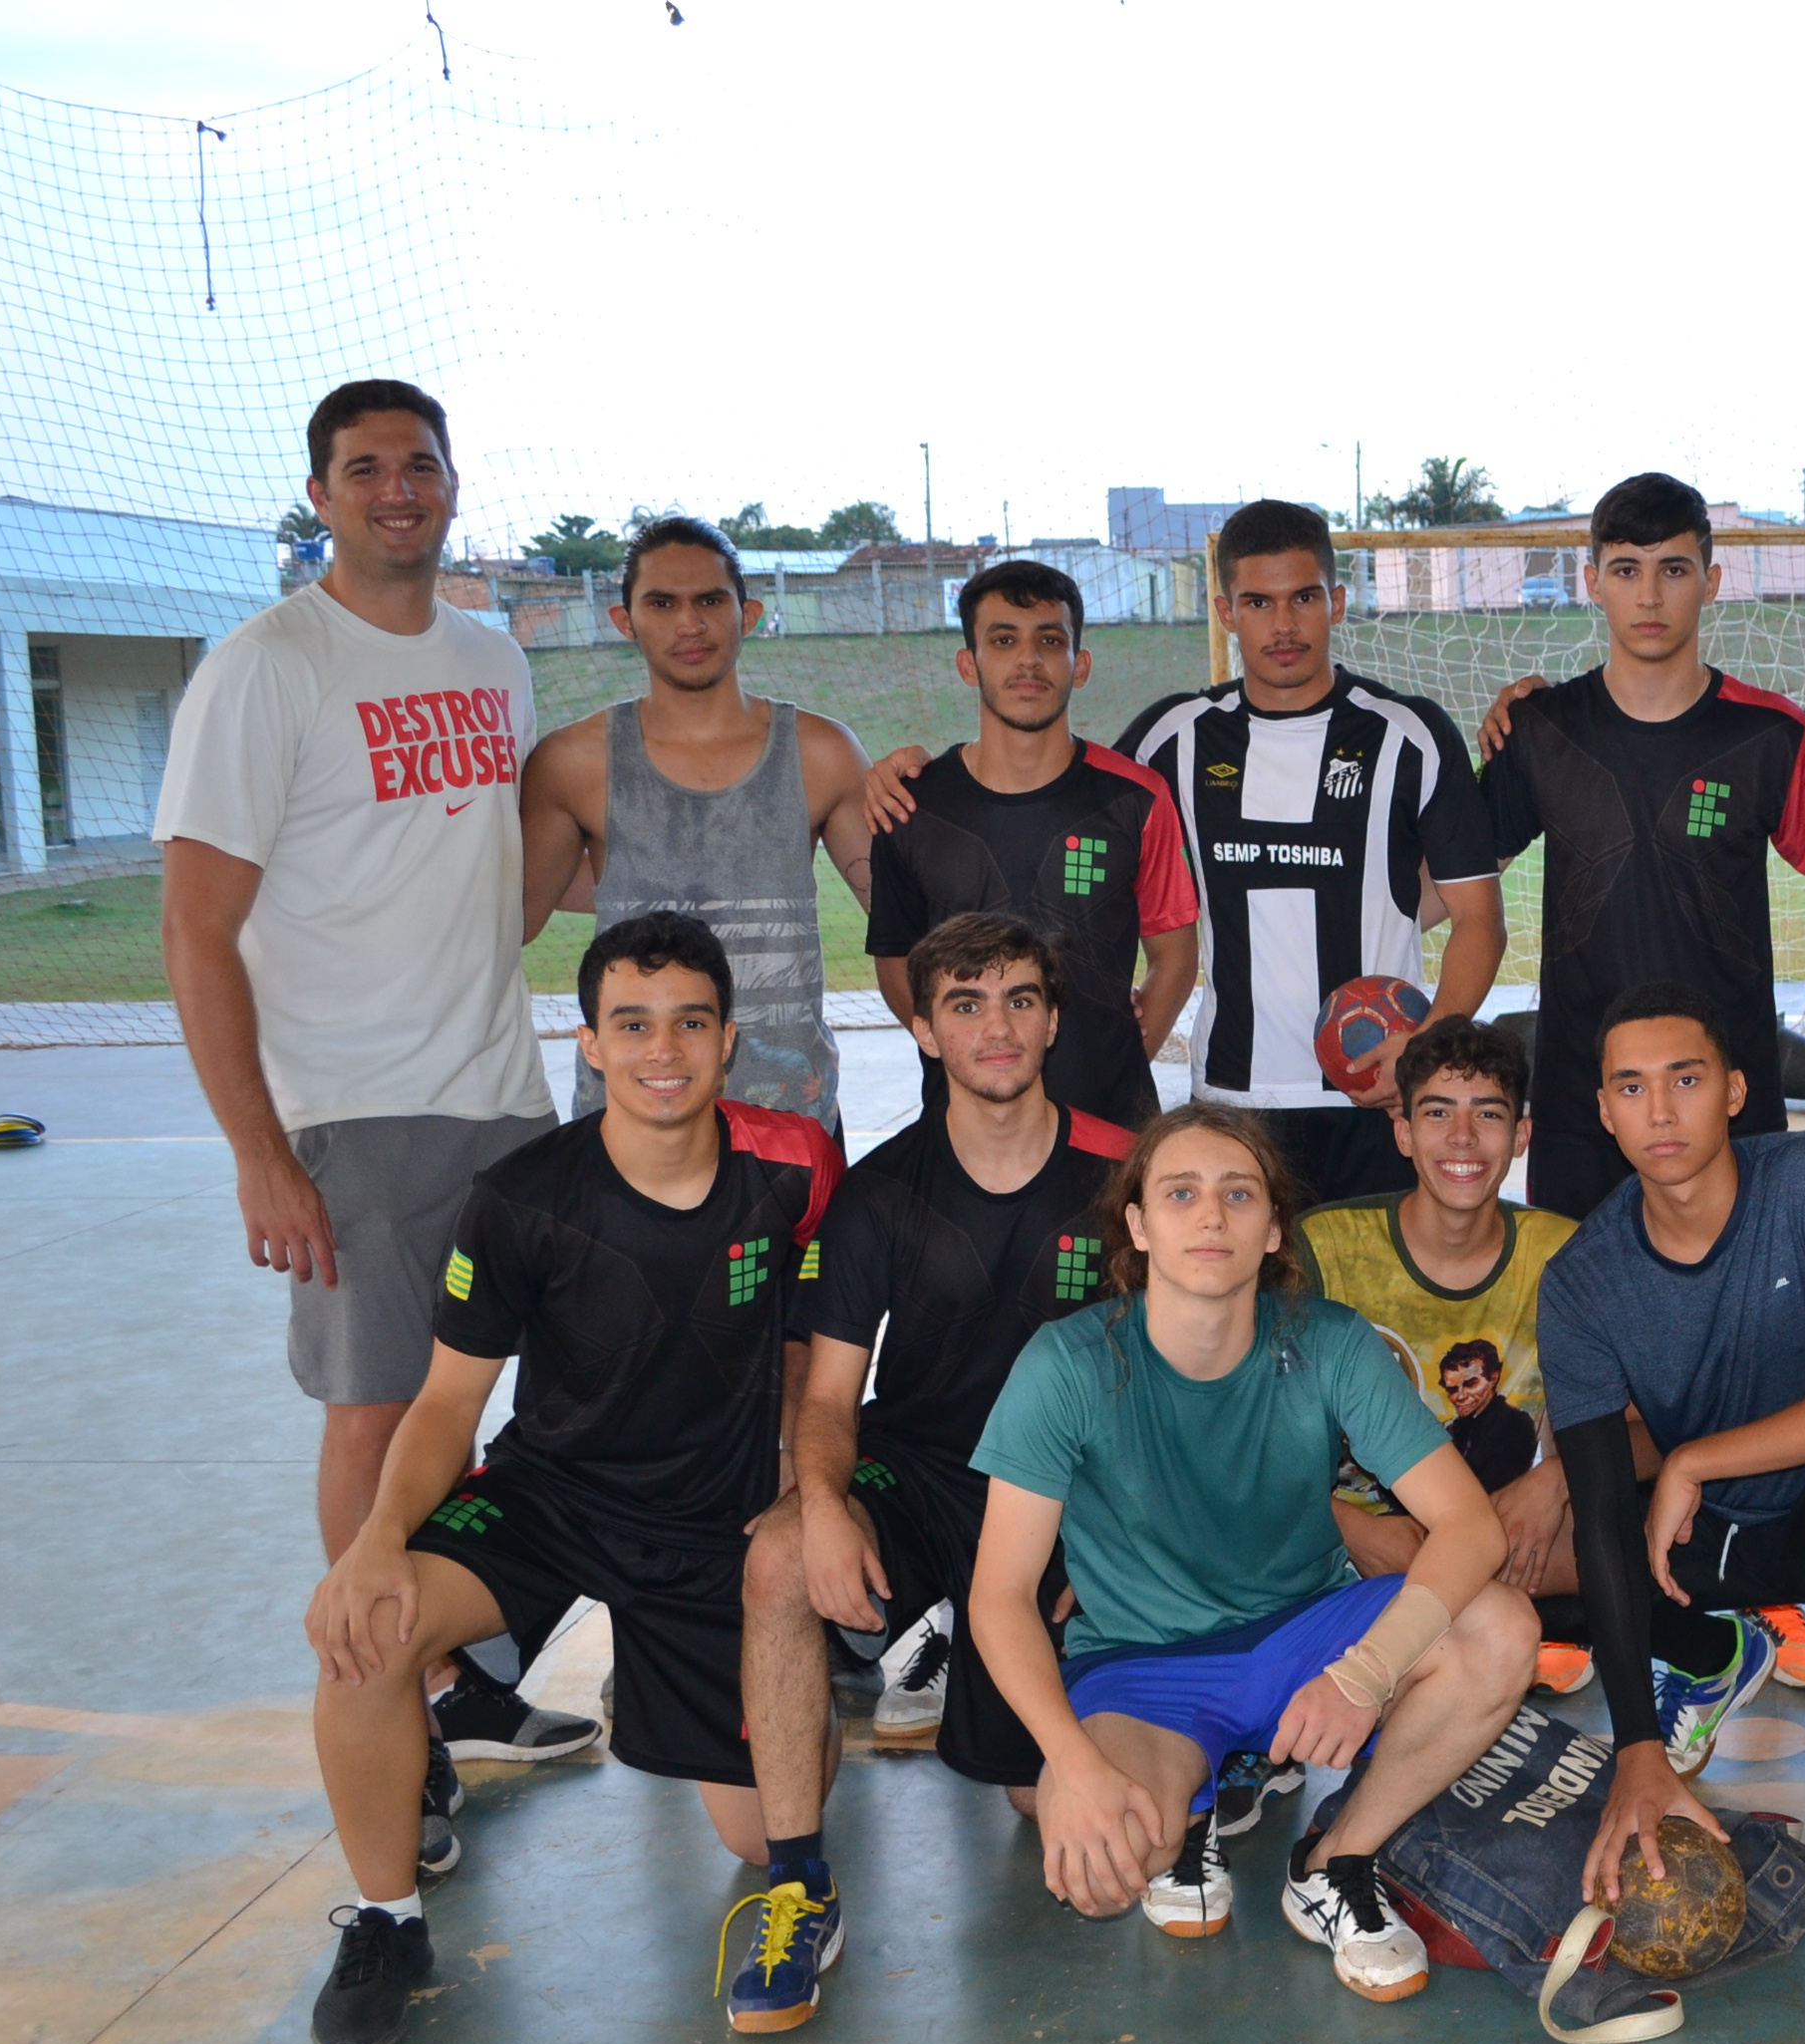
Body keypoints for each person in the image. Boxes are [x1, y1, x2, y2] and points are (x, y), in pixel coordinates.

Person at [155, 378, 594, 1830]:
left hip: (501, 1093)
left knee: (460, 1416)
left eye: (418, 464)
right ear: (322, 496)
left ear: (453, 481)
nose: (396, 489)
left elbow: (522, 858)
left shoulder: (493, 657)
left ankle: (452, 1674)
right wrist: (259, 1155)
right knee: (372, 1414)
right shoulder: (267, 667)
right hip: (351, 1109)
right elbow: (196, 929)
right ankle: (385, 1722)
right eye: (364, 470)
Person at [298, 913, 842, 2044]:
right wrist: (379, 1539)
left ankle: (684, 1691)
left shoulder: (793, 1164)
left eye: (690, 1023)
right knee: (370, 1631)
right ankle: (388, 1923)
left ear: (728, 1039)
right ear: (589, 1044)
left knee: (757, 1837)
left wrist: (801, 1473)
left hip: (712, 1521)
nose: (663, 1051)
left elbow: (810, 1338)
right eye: (631, 1025)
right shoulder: (521, 1197)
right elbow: (448, 1403)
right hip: (553, 1496)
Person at [965, 1105, 1541, 2003]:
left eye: (1239, 1194)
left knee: (1500, 1629)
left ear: (1274, 1228)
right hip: (1144, 1664)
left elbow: (1472, 1528)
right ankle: (1193, 1800)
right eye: (1181, 1193)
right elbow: (1000, 1593)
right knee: (1110, 1851)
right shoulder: (1067, 1365)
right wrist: (1071, 1767)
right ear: (1139, 1224)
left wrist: (1367, 1672)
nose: (1211, 1216)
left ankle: (1335, 1860)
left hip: (1305, 1631)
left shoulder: (1331, 1342)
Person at [726, 914, 1137, 2032]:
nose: (994, 1027)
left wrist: (1124, 1540)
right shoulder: (880, 1192)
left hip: (1064, 1498)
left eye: (1016, 999)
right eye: (964, 1003)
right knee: (771, 1561)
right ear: (921, 1028)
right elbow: (823, 1397)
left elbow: (1179, 1385)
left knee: (1034, 1795)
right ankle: (797, 1880)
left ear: (1053, 1020)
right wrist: (818, 1507)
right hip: (921, 1472)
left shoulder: (1126, 1175)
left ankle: (976, 1643)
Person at [1538, 984, 1805, 1948]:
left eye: (1685, 1081)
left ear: (1733, 1091)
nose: (1661, 1111)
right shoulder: (1582, 1279)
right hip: (1694, 1547)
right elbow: (1607, 1508)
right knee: (1517, 1565)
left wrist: (1697, 1457)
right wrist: (1637, 1752)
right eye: (1632, 1088)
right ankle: (1711, 1661)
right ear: (1602, 1111)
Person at [1477, 473, 1805, 1218]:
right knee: (1588, 1328)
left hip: (1729, 1106)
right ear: (1592, 583)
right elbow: (1441, 893)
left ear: (1710, 583)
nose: (1649, 597)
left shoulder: (1770, 734)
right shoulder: (1539, 730)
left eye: (1672, 570)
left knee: (1737, 1328)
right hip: (1585, 1107)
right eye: (1625, 570)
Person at [1125, 499, 1505, 1207]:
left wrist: (1426, 1047)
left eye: (1303, 598)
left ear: (1335, 600)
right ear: (1225, 611)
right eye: (1258, 602)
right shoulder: (1173, 739)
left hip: (1380, 1101)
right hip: (1236, 1097)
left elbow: (1480, 919)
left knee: (1375, 1317)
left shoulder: (1408, 733)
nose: (1283, 624)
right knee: (1247, 1315)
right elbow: (1068, 815)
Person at [517, 514, 880, 1134]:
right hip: (634, 1123)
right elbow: (512, 919)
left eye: (711, 600)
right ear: (623, 620)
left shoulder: (822, 753)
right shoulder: (573, 762)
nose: (689, 623)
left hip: (788, 1123)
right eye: (662, 603)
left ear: (751, 613)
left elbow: (906, 915)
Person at [1293, 1015, 1592, 1704]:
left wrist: (1553, 1484)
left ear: (1520, 1137)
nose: (1462, 1139)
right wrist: (1347, 1527)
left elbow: (1631, 1417)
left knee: (1625, 1530)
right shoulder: (1327, 1247)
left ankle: (1700, 1646)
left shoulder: (1566, 1253)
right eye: (1437, 1114)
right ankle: (1256, 1733)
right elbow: (1247, 1430)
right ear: (1403, 1132)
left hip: (1495, 1526)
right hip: (1356, 1533)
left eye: (1488, 1115)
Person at [852, 560, 1199, 1134]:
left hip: (1109, 1126)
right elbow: (896, 966)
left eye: (1050, 641)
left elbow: (1176, 959)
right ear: (969, 664)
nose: (1029, 660)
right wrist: (964, 1054)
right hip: (966, 1126)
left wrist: (1114, 1055)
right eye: (1004, 639)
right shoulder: (909, 805)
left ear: (1079, 665)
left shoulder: (1138, 798)